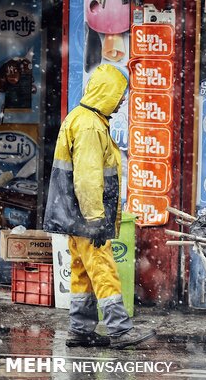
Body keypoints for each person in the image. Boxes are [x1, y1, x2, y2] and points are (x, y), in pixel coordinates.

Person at [43, 64, 155, 349]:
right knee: (103, 270)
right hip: (86, 217)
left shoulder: (79, 118)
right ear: (108, 93)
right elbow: (88, 178)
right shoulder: (91, 125)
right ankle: (120, 330)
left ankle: (80, 330)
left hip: (73, 215)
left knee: (82, 272)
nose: (121, 102)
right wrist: (95, 218)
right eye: (120, 96)